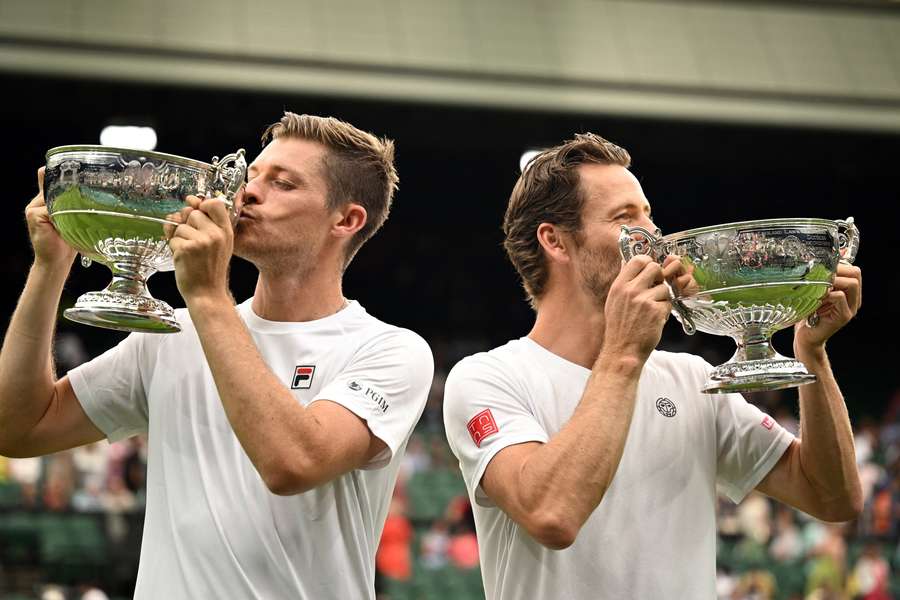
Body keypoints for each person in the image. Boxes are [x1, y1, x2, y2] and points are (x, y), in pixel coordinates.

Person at [0, 113, 434, 598]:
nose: (246, 193)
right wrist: (50, 266)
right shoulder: (170, 336)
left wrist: (207, 296)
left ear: (346, 220)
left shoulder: (390, 350)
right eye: (251, 177)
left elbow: (293, 463)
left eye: (284, 184)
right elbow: (19, 427)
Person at [442, 133, 862, 599]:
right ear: (555, 242)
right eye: (625, 217)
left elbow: (833, 496)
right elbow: (552, 514)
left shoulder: (691, 378)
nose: (654, 235)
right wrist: (623, 356)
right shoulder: (489, 378)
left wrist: (812, 352)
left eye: (648, 214)